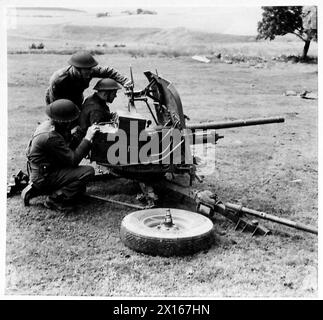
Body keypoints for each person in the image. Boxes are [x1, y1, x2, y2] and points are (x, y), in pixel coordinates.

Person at [21, 99, 100, 211]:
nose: (73, 121)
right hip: (44, 177)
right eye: (71, 119)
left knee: (79, 187)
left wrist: (78, 136)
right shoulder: (50, 136)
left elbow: (64, 148)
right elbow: (73, 160)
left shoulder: (49, 126)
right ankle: (55, 200)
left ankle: (53, 191)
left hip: (44, 170)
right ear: (64, 121)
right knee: (87, 172)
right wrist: (87, 138)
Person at [45, 51, 132, 109]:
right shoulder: (59, 79)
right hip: (57, 100)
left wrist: (125, 81)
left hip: (77, 99)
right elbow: (55, 106)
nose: (91, 72)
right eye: (88, 70)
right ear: (77, 69)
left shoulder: (88, 70)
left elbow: (108, 71)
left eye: (91, 68)